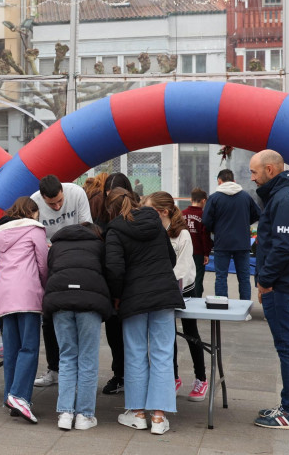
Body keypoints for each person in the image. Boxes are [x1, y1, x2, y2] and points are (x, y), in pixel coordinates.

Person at [104, 187, 184, 436]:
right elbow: (170, 259)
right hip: (163, 294)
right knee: (162, 354)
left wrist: (117, 295)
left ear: (111, 209)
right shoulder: (155, 222)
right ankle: (159, 418)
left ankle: (137, 414)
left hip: (133, 299)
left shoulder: (115, 230)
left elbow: (114, 268)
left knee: (135, 354)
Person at [250, 149, 289, 430]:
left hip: (285, 286)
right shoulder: (281, 196)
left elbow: (282, 247)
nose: (252, 178)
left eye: (254, 172)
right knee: (288, 346)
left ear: (270, 170)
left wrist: (265, 281)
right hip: (287, 284)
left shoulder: (284, 200)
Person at [43, 221, 112, 431]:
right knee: (88, 358)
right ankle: (84, 415)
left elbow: (49, 270)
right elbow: (107, 272)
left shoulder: (56, 246)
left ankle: (65, 413)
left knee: (67, 356)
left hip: (60, 300)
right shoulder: (99, 246)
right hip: (89, 302)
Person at [0, 196, 49, 424]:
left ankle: (8, 397)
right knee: (29, 347)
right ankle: (20, 397)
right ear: (32, 212)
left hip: (4, 292)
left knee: (11, 348)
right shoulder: (35, 230)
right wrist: (45, 284)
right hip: (27, 292)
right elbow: (43, 262)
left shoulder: (0, 232)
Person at [141, 191, 207, 402]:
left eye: (149, 210)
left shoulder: (182, 235)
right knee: (167, 335)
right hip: (161, 290)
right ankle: (173, 376)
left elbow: (185, 268)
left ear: (163, 212)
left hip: (184, 291)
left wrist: (162, 281)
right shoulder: (152, 231)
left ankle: (201, 378)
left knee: (191, 333)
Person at [30, 175, 93, 388]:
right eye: (51, 203)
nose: (57, 206)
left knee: (81, 316)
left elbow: (87, 227)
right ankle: (54, 369)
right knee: (49, 317)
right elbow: (35, 236)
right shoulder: (34, 201)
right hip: (51, 264)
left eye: (59, 201)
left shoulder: (76, 193)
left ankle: (78, 371)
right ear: (42, 198)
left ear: (62, 191)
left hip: (77, 259)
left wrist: (60, 244)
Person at [94, 172, 138, 395]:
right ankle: (119, 374)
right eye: (107, 195)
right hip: (111, 285)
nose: (109, 200)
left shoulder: (138, 216)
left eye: (114, 196)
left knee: (135, 336)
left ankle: (134, 377)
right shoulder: (102, 217)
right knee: (114, 333)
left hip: (131, 286)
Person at [202, 169, 260, 302]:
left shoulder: (214, 198)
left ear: (219, 181)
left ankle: (222, 306)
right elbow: (258, 214)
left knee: (221, 276)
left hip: (222, 242)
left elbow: (206, 220)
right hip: (242, 243)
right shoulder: (245, 196)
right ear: (234, 180)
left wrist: (216, 229)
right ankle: (245, 307)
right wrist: (245, 222)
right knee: (244, 277)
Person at [182, 188, 213, 298]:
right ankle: (197, 299)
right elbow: (205, 236)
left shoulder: (182, 214)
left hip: (183, 251)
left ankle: (183, 298)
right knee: (198, 278)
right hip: (198, 251)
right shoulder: (203, 215)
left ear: (191, 199)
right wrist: (206, 253)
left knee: (184, 277)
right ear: (204, 201)